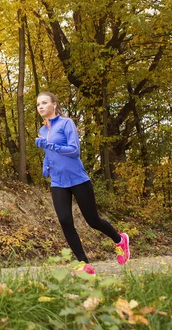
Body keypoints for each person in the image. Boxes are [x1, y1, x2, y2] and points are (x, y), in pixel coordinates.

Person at [35, 91, 130, 275]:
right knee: (65, 221)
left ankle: (119, 239)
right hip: (58, 182)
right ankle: (84, 265)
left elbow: (74, 150)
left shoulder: (66, 123)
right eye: (38, 104)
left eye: (44, 102)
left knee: (92, 220)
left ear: (54, 105)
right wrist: (45, 166)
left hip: (78, 179)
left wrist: (49, 145)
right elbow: (48, 154)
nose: (40, 106)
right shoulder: (42, 130)